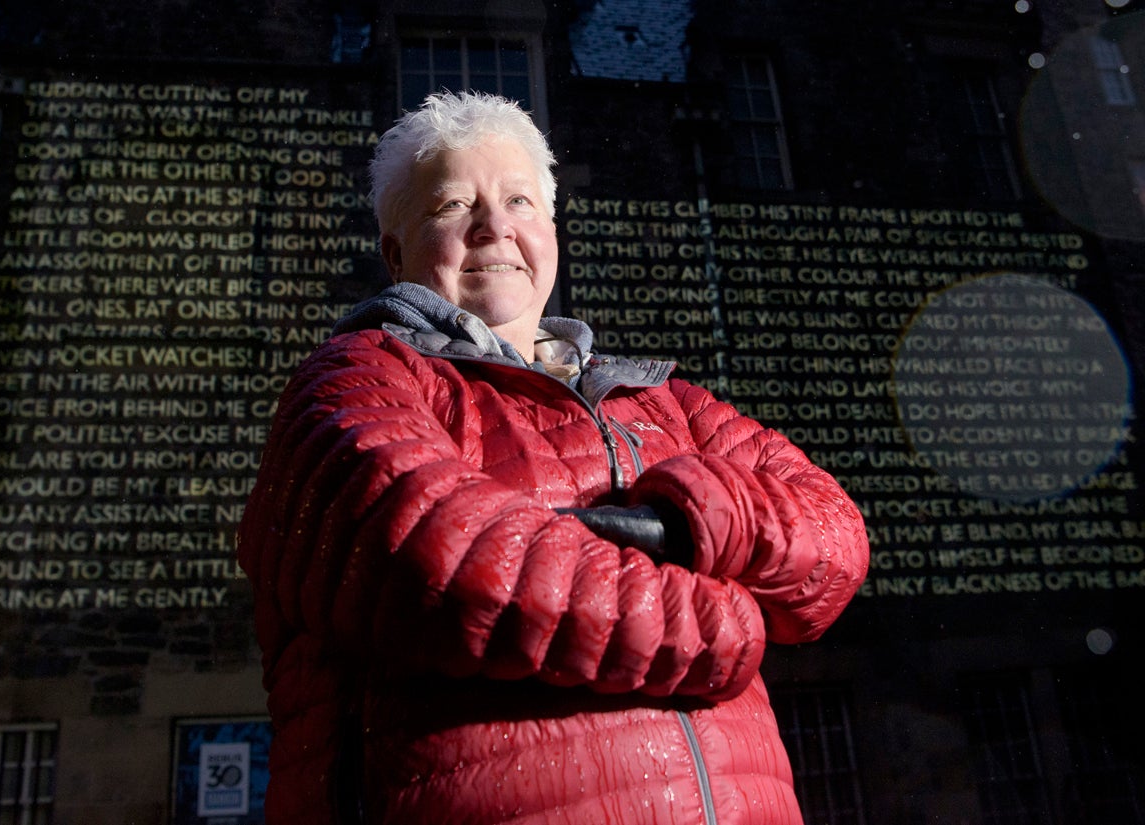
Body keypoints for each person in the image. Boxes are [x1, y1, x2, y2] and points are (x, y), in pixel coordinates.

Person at [238, 90, 870, 824]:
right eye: (451, 206)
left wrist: (692, 522)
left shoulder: (662, 402)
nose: (493, 226)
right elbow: (430, 552)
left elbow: (835, 533)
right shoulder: (358, 377)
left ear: (551, 231)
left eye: (519, 201)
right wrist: (719, 619)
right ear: (395, 252)